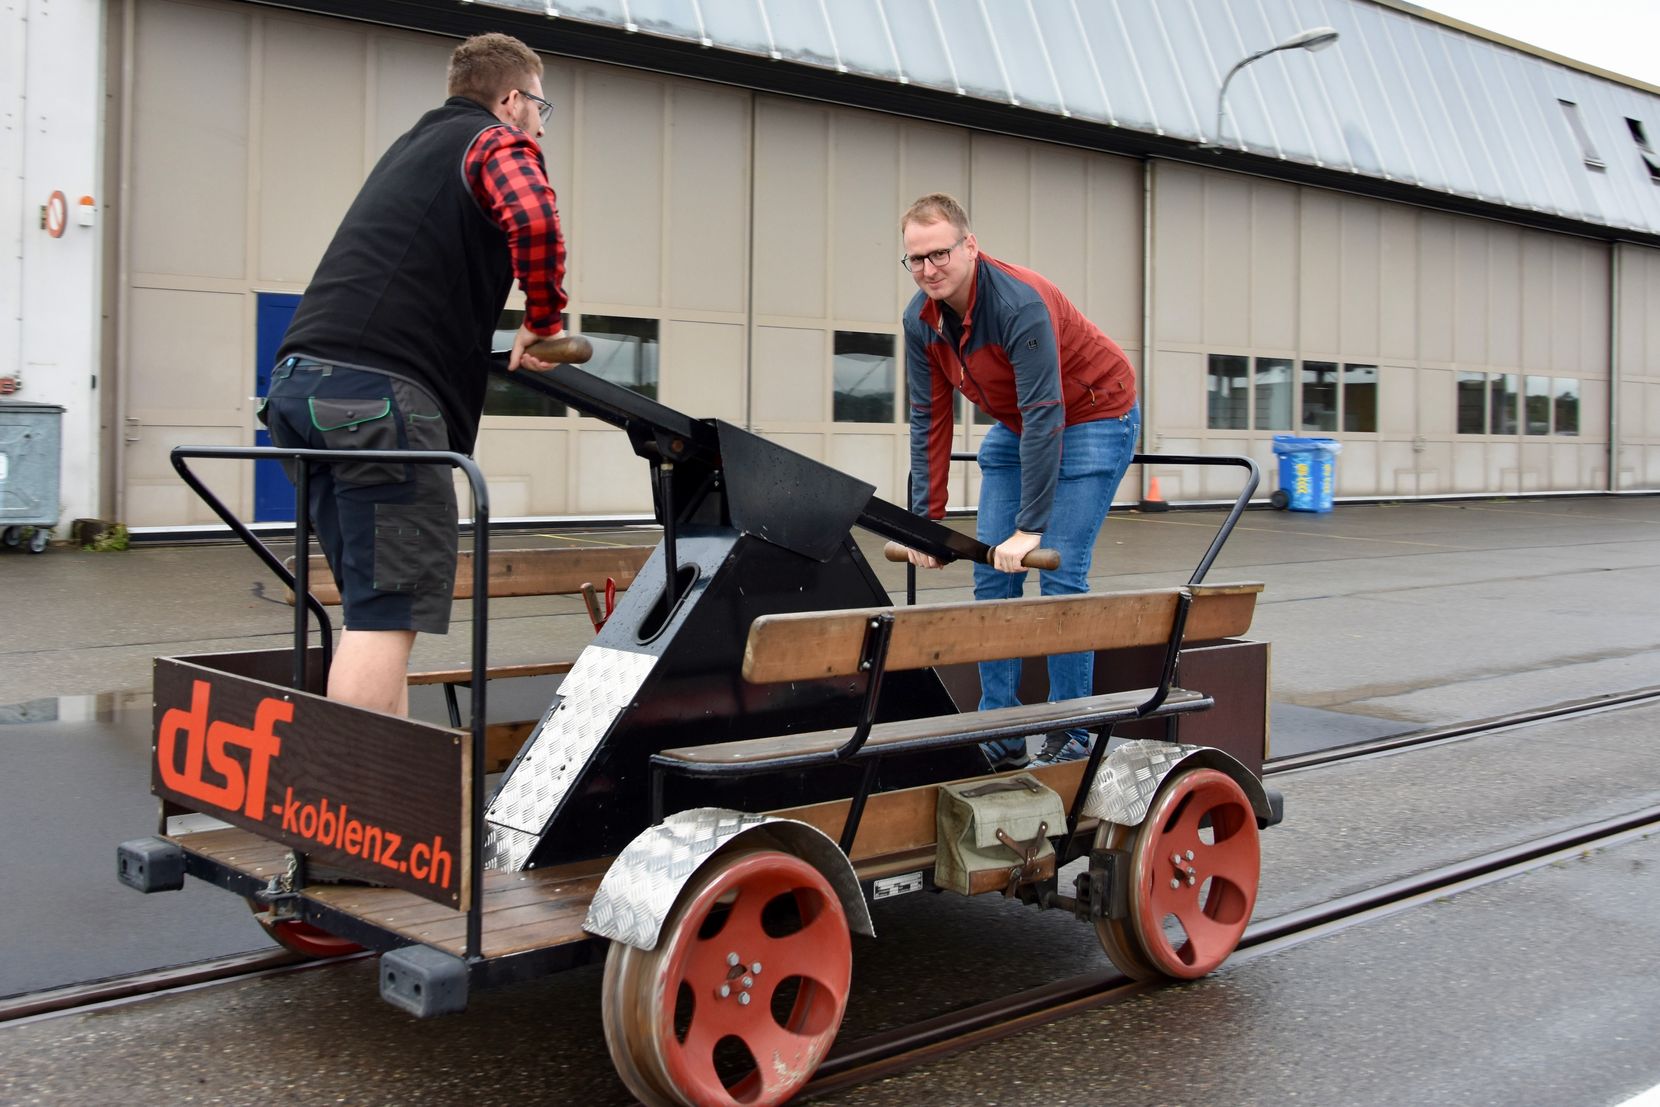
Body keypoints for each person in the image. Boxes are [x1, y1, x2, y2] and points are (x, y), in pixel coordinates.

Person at [260, 32, 568, 716]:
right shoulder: (493, 141)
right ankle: (359, 806)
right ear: (512, 99)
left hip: (298, 390)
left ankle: (379, 802)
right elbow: (536, 220)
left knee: (373, 614)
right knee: (382, 618)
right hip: (377, 404)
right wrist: (544, 319)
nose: (542, 125)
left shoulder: (411, 149)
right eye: (542, 107)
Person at [898, 192, 1140, 769]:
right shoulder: (920, 322)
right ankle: (1000, 730)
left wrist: (1030, 528)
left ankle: (1070, 729)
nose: (929, 270)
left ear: (970, 246)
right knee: (990, 571)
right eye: (916, 259)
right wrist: (926, 522)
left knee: (1058, 568)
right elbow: (928, 418)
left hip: (1094, 412)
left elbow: (1046, 413)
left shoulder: (1018, 303)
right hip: (1021, 423)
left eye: (940, 254)